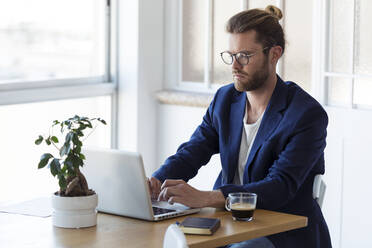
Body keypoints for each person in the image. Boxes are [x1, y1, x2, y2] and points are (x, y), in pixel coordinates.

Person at [148, 5, 332, 248]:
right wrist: (156, 182)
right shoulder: (225, 101)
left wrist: (206, 197)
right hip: (227, 224)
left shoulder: (305, 115)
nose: (234, 66)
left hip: (282, 231)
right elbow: (192, 152)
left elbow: (279, 187)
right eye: (231, 55)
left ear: (274, 54)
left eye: (244, 56)